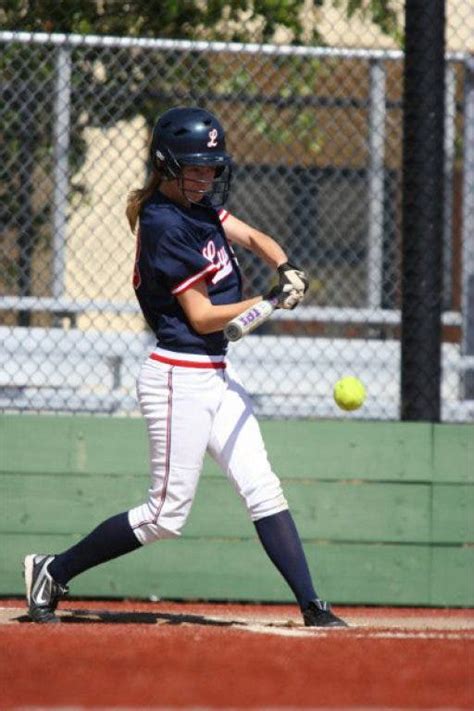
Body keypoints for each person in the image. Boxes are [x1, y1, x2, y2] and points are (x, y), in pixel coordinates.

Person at [24, 106, 347, 628]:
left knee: (262, 486)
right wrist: (264, 299)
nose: (205, 177)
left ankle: (313, 605)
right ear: (166, 167)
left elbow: (254, 238)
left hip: (216, 373)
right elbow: (199, 317)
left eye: (211, 167)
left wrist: (285, 267)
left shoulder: (201, 208)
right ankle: (53, 571)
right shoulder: (162, 223)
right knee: (164, 516)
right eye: (194, 168)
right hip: (178, 375)